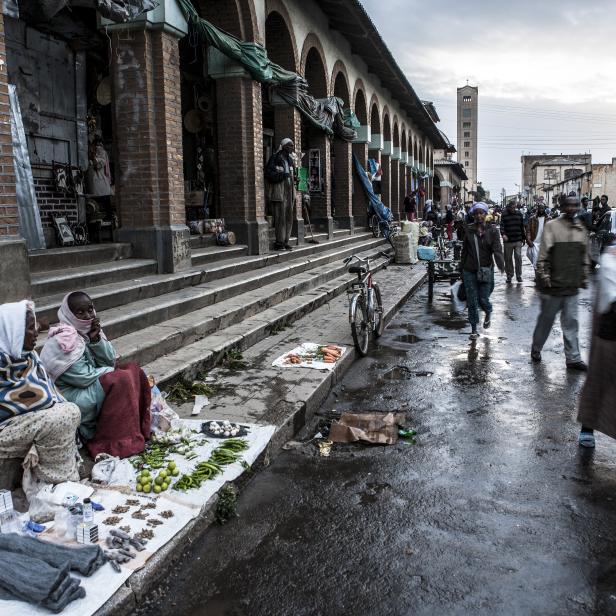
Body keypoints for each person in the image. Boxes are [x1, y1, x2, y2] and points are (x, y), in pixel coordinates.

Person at [40, 292, 151, 459]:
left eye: (90, 310)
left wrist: (95, 340)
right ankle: (111, 443)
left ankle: (134, 432)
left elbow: (109, 360)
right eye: (80, 312)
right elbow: (83, 377)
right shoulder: (64, 339)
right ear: (69, 314)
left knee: (133, 370)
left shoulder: (88, 332)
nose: (87, 316)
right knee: (121, 378)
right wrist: (114, 372)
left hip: (89, 385)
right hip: (69, 395)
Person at [0, 300, 81, 486]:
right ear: (13, 332)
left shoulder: (26, 356)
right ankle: (60, 483)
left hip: (24, 421)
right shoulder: (4, 363)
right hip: (5, 428)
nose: (36, 332)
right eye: (29, 329)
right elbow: (38, 400)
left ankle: (62, 480)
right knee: (63, 416)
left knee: (69, 410)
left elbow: (44, 394)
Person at [530, 196, 589, 370]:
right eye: (569, 205)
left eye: (575, 205)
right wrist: (544, 276)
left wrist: (583, 276)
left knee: (571, 322)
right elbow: (543, 256)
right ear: (562, 207)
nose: (572, 208)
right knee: (546, 322)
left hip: (571, 285)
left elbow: (584, 257)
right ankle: (536, 348)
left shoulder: (581, 229)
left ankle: (573, 358)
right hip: (552, 287)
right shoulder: (552, 226)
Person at [577, 214, 616, 448]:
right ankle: (587, 427)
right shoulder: (611, 260)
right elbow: (610, 298)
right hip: (609, 331)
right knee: (600, 379)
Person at [460, 202, 505, 340]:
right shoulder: (468, 230)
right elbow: (465, 250)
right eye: (476, 213)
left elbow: (497, 249)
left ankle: (488, 312)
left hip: (486, 269)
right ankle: (473, 329)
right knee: (472, 300)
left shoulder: (492, 231)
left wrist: (501, 264)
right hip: (469, 269)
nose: (479, 216)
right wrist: (461, 268)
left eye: (482, 213)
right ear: (473, 215)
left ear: (486, 215)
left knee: (483, 298)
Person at [265, 138, 296, 251]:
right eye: (289, 145)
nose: (292, 147)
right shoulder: (275, 158)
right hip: (279, 192)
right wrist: (283, 175)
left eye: (292, 145)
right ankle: (279, 242)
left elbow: (292, 174)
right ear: (283, 146)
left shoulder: (290, 160)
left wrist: (295, 179)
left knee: (289, 217)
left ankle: (286, 241)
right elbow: (269, 174)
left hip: (289, 192)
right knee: (280, 218)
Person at [500, 201, 526, 284]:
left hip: (518, 239)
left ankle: (518, 275)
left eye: (514, 207)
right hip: (508, 241)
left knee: (518, 257)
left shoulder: (519, 214)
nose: (513, 209)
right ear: (508, 207)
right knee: (508, 259)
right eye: (511, 208)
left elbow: (522, 226)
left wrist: (523, 238)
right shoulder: (504, 214)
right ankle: (509, 275)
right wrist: (503, 234)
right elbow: (502, 226)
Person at [525, 201, 548, 269]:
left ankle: (540, 275)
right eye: (540, 208)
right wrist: (529, 240)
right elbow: (528, 231)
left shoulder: (548, 219)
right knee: (534, 259)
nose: (541, 210)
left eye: (542, 208)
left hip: (544, 243)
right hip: (535, 242)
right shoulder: (532, 219)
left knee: (543, 261)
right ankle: (537, 275)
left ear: (544, 209)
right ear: (538, 209)